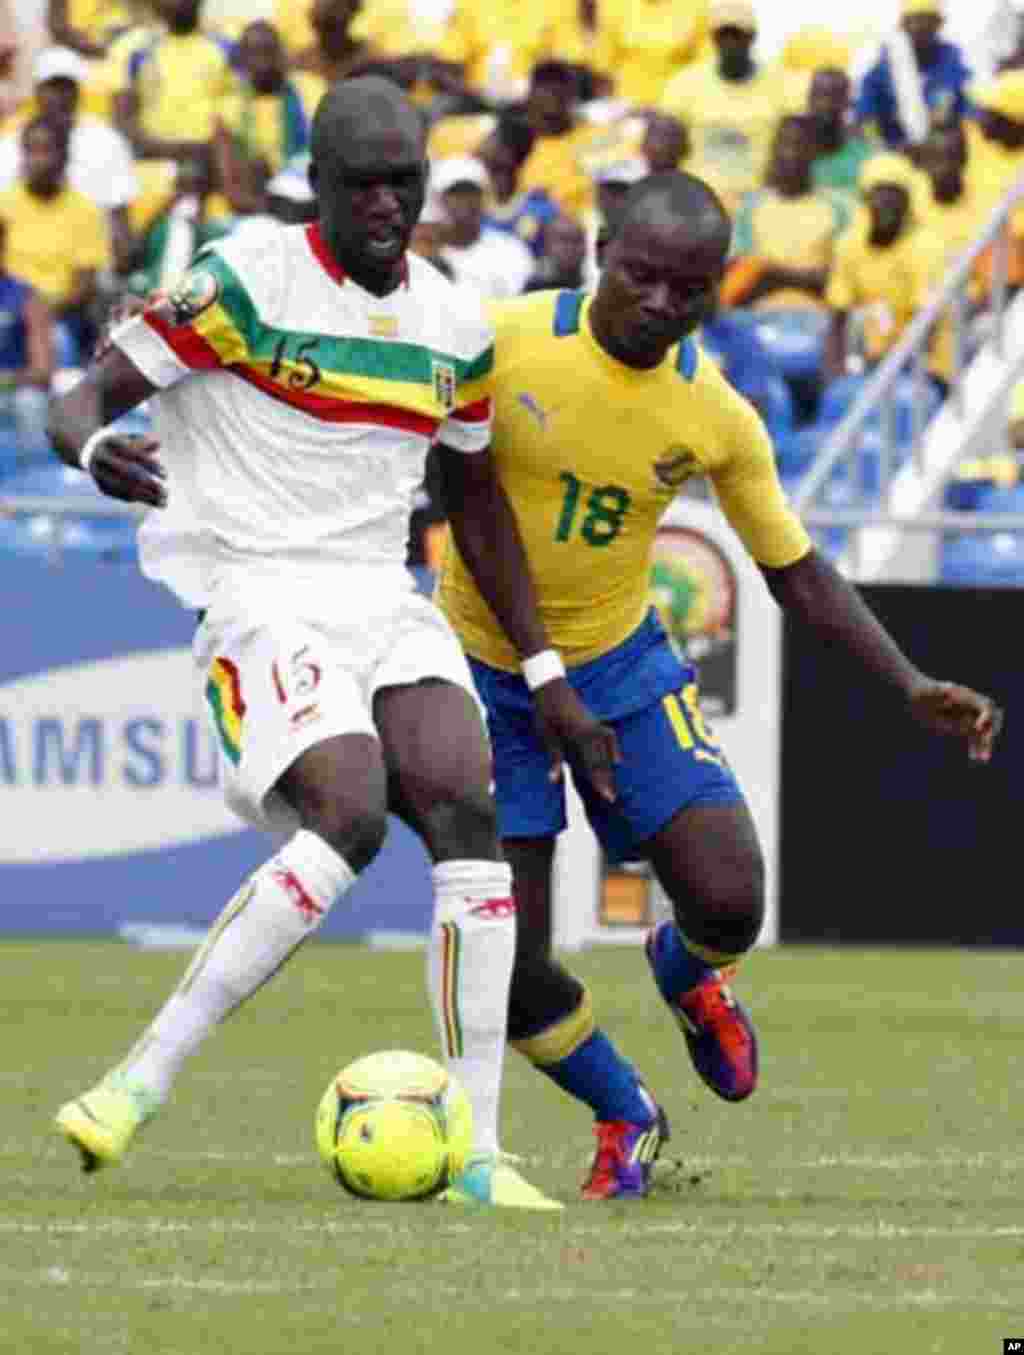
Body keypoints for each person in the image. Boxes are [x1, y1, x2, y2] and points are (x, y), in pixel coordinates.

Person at [48, 76, 611, 1212]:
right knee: (348, 813)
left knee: (468, 814)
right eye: (361, 184)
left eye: (402, 182)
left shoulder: (454, 323)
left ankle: (480, 1154)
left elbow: (477, 500)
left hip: (381, 594)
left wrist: (543, 667)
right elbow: (77, 395)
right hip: (258, 591)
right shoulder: (242, 283)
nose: (386, 207)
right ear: (320, 183)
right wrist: (89, 446)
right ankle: (136, 1082)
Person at [437, 169, 1002, 1200]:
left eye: (688, 289)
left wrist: (906, 679)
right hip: (482, 674)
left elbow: (792, 567)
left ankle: (689, 971)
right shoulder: (497, 339)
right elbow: (446, 492)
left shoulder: (713, 410)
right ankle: (623, 1108)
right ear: (603, 248)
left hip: (618, 664)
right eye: (644, 276)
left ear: (715, 290)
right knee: (501, 964)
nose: (661, 304)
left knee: (730, 897)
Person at [0, 46, 138, 274]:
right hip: (19, 269)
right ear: (37, 91)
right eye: (52, 87)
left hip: (90, 264)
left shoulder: (106, 141)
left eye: (67, 87)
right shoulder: (8, 145)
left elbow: (120, 221)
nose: (60, 96)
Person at [659, 0, 789, 215]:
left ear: (752, 38)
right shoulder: (684, 84)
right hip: (697, 205)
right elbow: (665, 146)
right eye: (723, 36)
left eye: (737, 35)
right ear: (713, 39)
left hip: (757, 205)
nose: (730, 43)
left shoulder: (780, 84)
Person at [0, 116, 111, 358]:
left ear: (64, 157)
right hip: (7, 310)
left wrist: (40, 311)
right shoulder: (4, 204)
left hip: (60, 316)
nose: (38, 160)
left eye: (46, 150)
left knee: (56, 344)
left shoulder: (85, 211)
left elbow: (85, 287)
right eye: (31, 150)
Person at [727, 114, 850, 311]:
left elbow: (842, 276)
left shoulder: (839, 208)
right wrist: (801, 276)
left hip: (820, 316)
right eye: (784, 145)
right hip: (756, 316)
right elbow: (738, 271)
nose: (791, 154)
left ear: (814, 152)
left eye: (800, 146)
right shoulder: (750, 206)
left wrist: (773, 273)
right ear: (774, 150)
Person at [853, 0, 970, 150]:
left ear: (939, 24)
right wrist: (880, 148)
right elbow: (865, 119)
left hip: (941, 153)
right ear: (903, 25)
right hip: (895, 154)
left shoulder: (951, 60)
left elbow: (966, 110)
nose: (921, 27)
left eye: (928, 21)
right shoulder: (883, 67)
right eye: (916, 21)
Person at [432, 156, 535, 300]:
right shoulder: (422, 254)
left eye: (471, 193)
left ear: (484, 199)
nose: (464, 201)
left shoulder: (510, 251)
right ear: (437, 199)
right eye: (455, 193)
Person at [807, 67, 874, 202]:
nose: (826, 104)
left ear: (847, 103)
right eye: (820, 96)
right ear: (809, 99)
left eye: (835, 97)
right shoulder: (793, 147)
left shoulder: (865, 151)